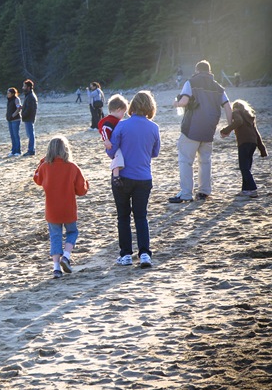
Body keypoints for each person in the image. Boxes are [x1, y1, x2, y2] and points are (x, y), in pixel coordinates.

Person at [107, 91, 160, 268]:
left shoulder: (122, 126)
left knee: (123, 217)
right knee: (141, 216)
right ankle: (144, 253)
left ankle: (126, 254)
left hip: (123, 177)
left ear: (132, 106)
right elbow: (155, 153)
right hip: (144, 177)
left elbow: (111, 152)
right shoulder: (154, 128)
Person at [170, 60, 233, 203]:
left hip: (191, 128)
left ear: (197, 70)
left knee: (185, 161)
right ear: (209, 71)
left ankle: (186, 193)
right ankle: (204, 192)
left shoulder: (191, 82)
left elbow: (184, 102)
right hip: (209, 129)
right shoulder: (218, 87)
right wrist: (229, 127)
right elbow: (228, 107)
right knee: (205, 161)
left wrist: (176, 104)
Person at [34, 136, 89, 279]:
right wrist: (86, 184)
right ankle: (66, 256)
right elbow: (81, 191)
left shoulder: (45, 167)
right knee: (72, 232)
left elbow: (37, 179)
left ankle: (56, 268)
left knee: (55, 236)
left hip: (52, 209)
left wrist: (41, 161)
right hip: (68, 207)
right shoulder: (72, 167)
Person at [220, 99, 267, 198]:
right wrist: (262, 148)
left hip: (244, 142)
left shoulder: (236, 112)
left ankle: (253, 189)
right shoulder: (249, 117)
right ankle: (245, 190)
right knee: (247, 167)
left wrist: (225, 130)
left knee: (244, 167)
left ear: (235, 107)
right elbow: (256, 133)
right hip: (253, 143)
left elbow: (238, 121)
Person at [98, 94, 128, 188]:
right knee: (118, 157)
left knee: (119, 157)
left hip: (114, 143)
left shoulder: (114, 120)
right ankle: (116, 176)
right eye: (123, 113)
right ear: (118, 110)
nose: (123, 116)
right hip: (112, 144)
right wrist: (106, 140)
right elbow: (104, 129)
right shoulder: (110, 120)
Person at [21, 79, 38, 156]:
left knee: (30, 135)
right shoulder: (29, 95)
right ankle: (31, 150)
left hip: (29, 118)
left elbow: (29, 109)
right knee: (30, 134)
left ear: (28, 87)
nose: (23, 87)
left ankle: (31, 150)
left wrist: (23, 114)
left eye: (24, 86)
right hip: (29, 118)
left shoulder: (30, 96)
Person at [5, 87, 22, 157]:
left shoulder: (16, 99)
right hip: (10, 120)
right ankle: (13, 150)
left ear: (12, 93)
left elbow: (19, 108)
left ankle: (18, 151)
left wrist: (13, 115)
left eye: (8, 93)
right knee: (12, 136)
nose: (7, 94)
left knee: (15, 135)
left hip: (15, 120)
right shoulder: (9, 100)